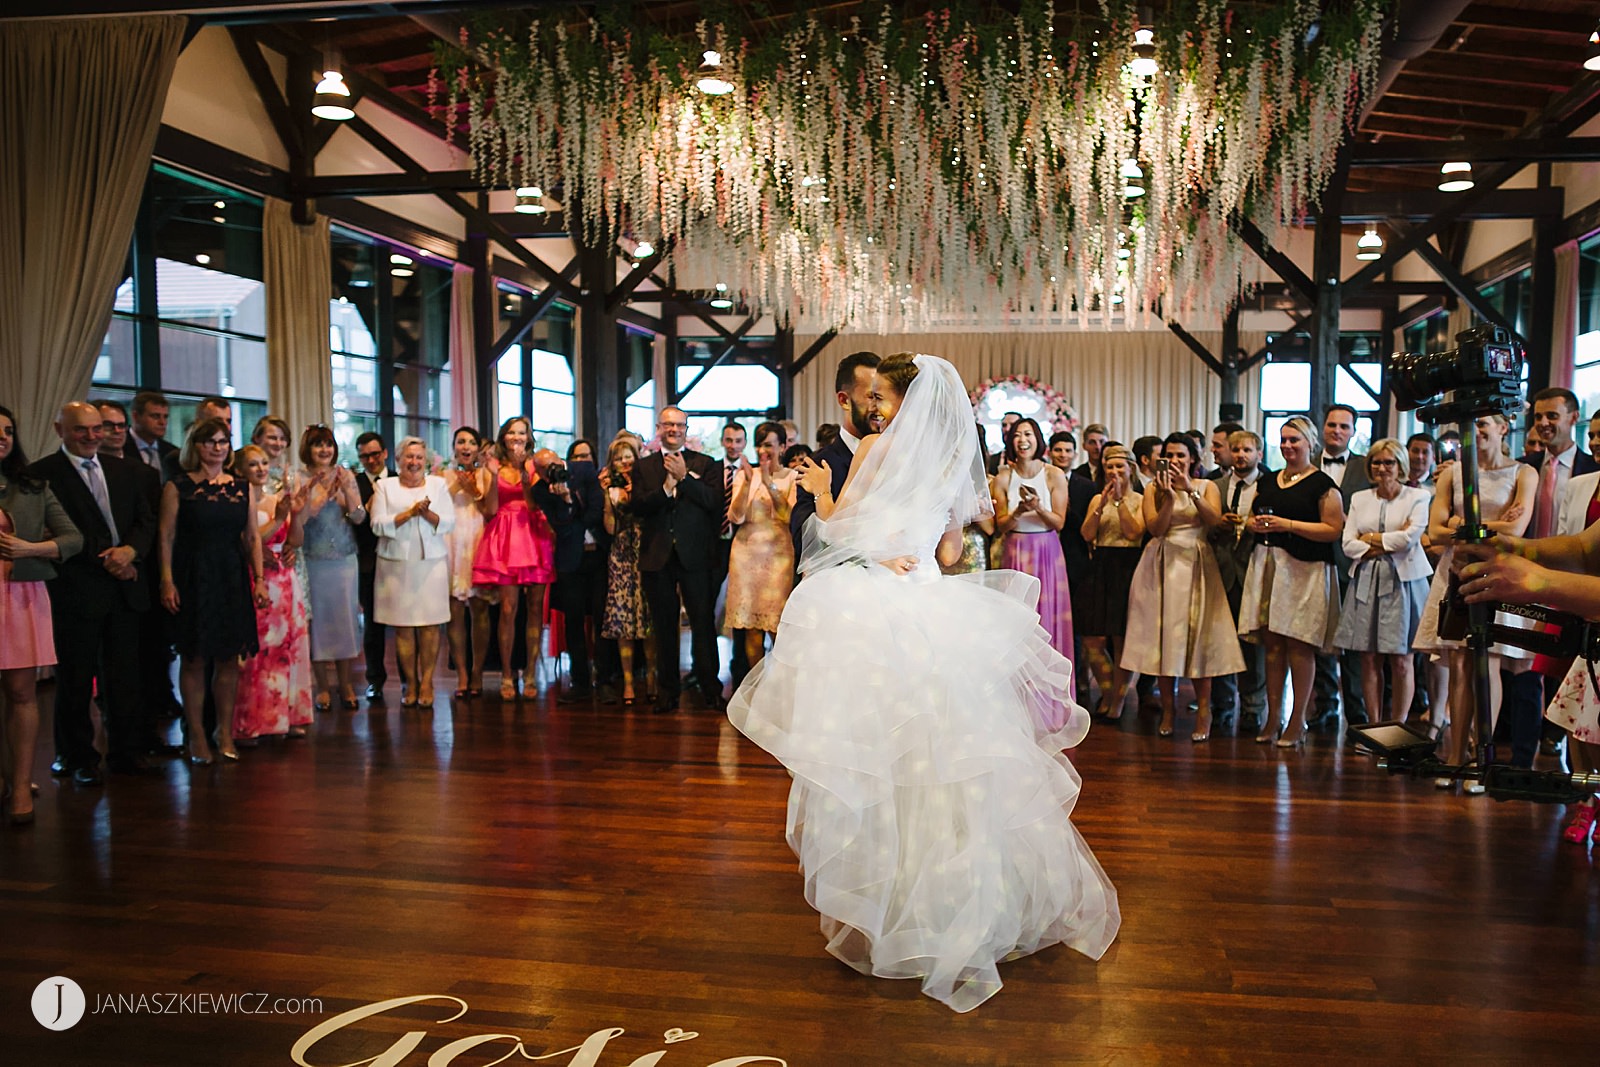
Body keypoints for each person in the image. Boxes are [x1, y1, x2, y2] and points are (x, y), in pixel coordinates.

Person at [734, 352, 1119, 1012]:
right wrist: (901, 543)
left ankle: (891, 908)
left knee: (884, 758)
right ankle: (961, 901)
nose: (877, 405)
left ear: (899, 400)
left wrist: (823, 494)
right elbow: (946, 554)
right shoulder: (947, 464)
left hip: (878, 609)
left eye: (883, 393)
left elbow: (834, 534)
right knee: (949, 760)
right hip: (934, 604)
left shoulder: (878, 450)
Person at [28, 401, 155, 783]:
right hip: (75, 590)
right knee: (75, 681)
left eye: (97, 428)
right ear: (59, 429)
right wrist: (109, 559)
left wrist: (130, 552)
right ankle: (77, 757)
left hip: (124, 587)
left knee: (125, 678)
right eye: (81, 429)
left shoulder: (127, 470)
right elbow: (50, 534)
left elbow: (145, 520)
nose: (91, 436)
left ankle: (126, 753)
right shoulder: (40, 476)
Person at [1412, 413, 1536, 791]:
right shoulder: (1453, 472)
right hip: (1457, 571)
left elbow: (1518, 529)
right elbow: (1434, 530)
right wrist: (1492, 528)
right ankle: (1454, 756)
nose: (1478, 429)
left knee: (1490, 663)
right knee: (1461, 664)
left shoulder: (1523, 473)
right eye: (1473, 423)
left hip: (1500, 571)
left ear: (1503, 427)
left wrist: (1460, 527)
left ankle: (1484, 756)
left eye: (1486, 422)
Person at [1120, 433, 1243, 741]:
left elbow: (1213, 520)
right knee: (1164, 639)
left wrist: (1190, 491)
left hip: (1198, 563)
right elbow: (1155, 529)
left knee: (1200, 638)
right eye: (1169, 456)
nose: (1174, 461)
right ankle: (1169, 709)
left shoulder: (1207, 486)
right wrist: (1169, 498)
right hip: (1162, 563)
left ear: (1192, 459)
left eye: (1180, 456)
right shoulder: (1153, 489)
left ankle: (1205, 710)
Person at [158, 417, 265, 764]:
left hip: (231, 576)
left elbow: (251, 537)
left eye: (222, 442)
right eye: (209, 442)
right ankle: (197, 735)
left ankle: (225, 730)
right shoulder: (178, 486)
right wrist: (167, 579)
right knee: (194, 659)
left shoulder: (240, 487)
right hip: (193, 575)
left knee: (228, 659)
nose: (217, 448)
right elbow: (166, 537)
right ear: (196, 446)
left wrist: (260, 578)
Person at [1238, 416, 1346, 749]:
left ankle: (1298, 719)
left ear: (1310, 443)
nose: (1287, 446)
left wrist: (1285, 523)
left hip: (1306, 570)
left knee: (1299, 645)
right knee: (1272, 646)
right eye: (1283, 440)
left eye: (1294, 440)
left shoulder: (1322, 484)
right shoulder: (1269, 480)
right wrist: (1255, 525)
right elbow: (1254, 515)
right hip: (1269, 564)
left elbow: (1333, 529)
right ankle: (1273, 716)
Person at [0, 405, 82, 824]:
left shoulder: (32, 486)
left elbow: (72, 538)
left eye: (9, 431)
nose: (2, 437)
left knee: (21, 693)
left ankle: (20, 787)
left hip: (17, 595)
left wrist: (30, 548)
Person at [99, 398, 180, 753]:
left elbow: (153, 520)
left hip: (148, 567)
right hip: (105, 572)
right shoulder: (115, 457)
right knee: (116, 665)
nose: (114, 432)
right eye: (109, 426)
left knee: (151, 655)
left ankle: (146, 733)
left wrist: (138, 554)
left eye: (166, 416)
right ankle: (115, 741)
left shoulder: (171, 456)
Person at [1331, 440, 1431, 725]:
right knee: (1368, 657)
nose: (1382, 468)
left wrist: (1371, 539)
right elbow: (1348, 544)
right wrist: (1387, 542)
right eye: (1376, 462)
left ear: (1400, 466)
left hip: (1405, 582)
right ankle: (1374, 725)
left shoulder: (1417, 497)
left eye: (1389, 462)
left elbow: (1409, 539)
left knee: (1402, 659)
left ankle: (1398, 724)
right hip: (1366, 580)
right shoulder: (1360, 498)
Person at [632, 406, 722, 713]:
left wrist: (684, 480)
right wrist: (666, 488)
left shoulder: (706, 463)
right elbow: (638, 506)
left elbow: (713, 503)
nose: (674, 429)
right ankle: (667, 692)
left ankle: (711, 689)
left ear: (687, 428)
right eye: (668, 424)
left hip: (694, 554)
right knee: (664, 626)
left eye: (679, 424)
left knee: (702, 622)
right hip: (657, 555)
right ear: (659, 428)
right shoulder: (644, 467)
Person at [232, 444, 313, 742]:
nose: (261, 469)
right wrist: (278, 520)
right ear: (240, 470)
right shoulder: (238, 502)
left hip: (285, 580)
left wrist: (296, 515)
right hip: (257, 579)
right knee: (259, 654)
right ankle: (255, 720)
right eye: (253, 464)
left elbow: (296, 541)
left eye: (264, 463)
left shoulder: (275, 498)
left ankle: (288, 717)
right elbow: (248, 542)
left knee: (288, 650)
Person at [472, 417, 555, 700]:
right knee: (508, 609)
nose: (517, 437)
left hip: (534, 533)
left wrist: (525, 479)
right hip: (505, 534)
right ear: (504, 438)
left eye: (522, 433)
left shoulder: (536, 466)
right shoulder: (492, 467)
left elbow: (535, 504)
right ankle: (507, 674)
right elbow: (491, 509)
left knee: (535, 609)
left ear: (528, 438)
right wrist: (494, 476)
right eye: (512, 433)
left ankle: (530, 672)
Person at [369, 437, 455, 708]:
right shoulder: (384, 486)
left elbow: (448, 522)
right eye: (409, 457)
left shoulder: (438, 484)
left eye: (419, 457)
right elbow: (377, 525)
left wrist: (426, 514)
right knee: (403, 628)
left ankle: (427, 680)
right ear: (398, 460)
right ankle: (411, 683)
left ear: (425, 461)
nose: (414, 462)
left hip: (431, 564)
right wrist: (408, 513)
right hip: (396, 565)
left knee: (431, 625)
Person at [991, 417, 1074, 662]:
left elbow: (1059, 522)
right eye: (1017, 435)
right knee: (1017, 615)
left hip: (1046, 549)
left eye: (1028, 434)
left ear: (1037, 439)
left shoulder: (1053, 474)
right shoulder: (1003, 477)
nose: (1022, 440)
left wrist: (1037, 507)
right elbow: (1000, 525)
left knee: (1048, 613)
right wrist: (1017, 512)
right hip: (1016, 548)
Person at [530, 445, 606, 702]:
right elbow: (561, 528)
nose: (551, 472)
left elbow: (596, 512)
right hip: (570, 561)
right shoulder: (540, 490)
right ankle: (580, 682)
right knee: (574, 622)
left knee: (601, 618)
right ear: (539, 473)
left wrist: (572, 500)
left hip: (598, 555)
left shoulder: (583, 470)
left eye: (554, 466)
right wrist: (565, 503)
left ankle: (605, 679)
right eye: (544, 470)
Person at [298, 425, 366, 711]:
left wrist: (348, 494)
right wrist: (323, 492)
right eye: (318, 445)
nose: (324, 450)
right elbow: (303, 518)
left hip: (344, 559)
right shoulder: (299, 478)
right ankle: (323, 687)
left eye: (328, 444)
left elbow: (360, 517)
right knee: (319, 624)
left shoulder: (345, 474)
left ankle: (346, 683)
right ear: (308, 449)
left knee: (346, 621)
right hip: (313, 559)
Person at [1208, 430, 1270, 734]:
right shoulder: (1213, 485)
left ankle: (1252, 707)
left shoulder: (1270, 485)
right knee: (1219, 642)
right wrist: (1217, 524)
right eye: (1236, 449)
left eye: (1248, 449)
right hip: (1219, 571)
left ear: (1259, 453)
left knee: (1251, 645)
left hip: (1253, 571)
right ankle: (1222, 706)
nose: (1241, 455)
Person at [1077, 444, 1143, 721]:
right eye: (1109, 468)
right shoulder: (1096, 499)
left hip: (1128, 565)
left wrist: (1119, 502)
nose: (1114, 472)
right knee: (1092, 637)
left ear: (1131, 469)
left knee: (1121, 638)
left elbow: (1133, 533)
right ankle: (1109, 691)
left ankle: (1117, 700)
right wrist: (1102, 505)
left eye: (1119, 467)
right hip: (1101, 563)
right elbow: (1086, 534)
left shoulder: (1141, 498)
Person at [792, 352, 880, 557]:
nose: (880, 407)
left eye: (883, 397)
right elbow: (804, 544)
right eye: (872, 396)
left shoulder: (900, 457)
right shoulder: (817, 466)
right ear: (844, 400)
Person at [724, 421, 797, 669]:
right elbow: (735, 517)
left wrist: (769, 482)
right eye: (760, 445)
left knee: (778, 625)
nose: (763, 451)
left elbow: (788, 516)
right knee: (752, 627)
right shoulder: (744, 474)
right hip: (746, 555)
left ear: (783, 447)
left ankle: (780, 687)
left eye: (769, 445)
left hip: (779, 558)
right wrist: (747, 482)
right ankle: (754, 687)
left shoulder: (792, 477)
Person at [600, 436, 656, 705]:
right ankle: (629, 682)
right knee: (623, 621)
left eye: (628, 456)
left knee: (649, 619)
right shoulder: (612, 490)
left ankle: (653, 677)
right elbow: (609, 528)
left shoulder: (647, 486)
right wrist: (606, 497)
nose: (624, 461)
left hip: (647, 552)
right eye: (619, 457)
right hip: (621, 555)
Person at [443, 427, 494, 698]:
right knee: (454, 612)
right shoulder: (441, 475)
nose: (466, 446)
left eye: (472, 442)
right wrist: (455, 485)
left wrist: (474, 488)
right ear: (454, 447)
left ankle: (477, 670)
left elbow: (490, 510)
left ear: (477, 448)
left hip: (478, 541)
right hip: (451, 543)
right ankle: (461, 672)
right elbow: (437, 506)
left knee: (480, 611)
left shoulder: (486, 474)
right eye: (461, 441)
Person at [352, 432, 393, 701]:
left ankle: (409, 681)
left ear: (385, 453)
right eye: (365, 456)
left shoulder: (402, 478)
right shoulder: (353, 484)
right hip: (367, 560)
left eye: (375, 454)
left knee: (404, 622)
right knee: (373, 626)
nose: (371, 460)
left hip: (400, 557)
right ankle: (375, 680)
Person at [125, 391, 176, 476]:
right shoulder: (120, 447)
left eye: (165, 417)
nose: (162, 422)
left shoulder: (171, 452)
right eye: (155, 416)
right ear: (135, 416)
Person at [251, 416, 295, 493]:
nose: (278, 444)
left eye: (283, 439)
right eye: (272, 438)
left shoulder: (291, 475)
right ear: (257, 438)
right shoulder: (249, 472)